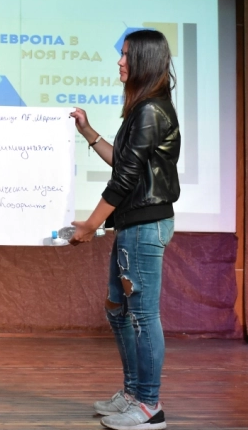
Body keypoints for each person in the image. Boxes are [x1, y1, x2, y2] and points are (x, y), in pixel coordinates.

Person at [69, 29, 180, 430]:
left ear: (144, 62)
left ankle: (149, 406)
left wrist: (91, 224)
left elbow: (124, 179)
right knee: (118, 310)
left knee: (142, 317)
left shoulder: (151, 110)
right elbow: (125, 162)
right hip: (133, 224)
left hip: (145, 226)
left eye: (127, 55)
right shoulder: (143, 108)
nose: (119, 61)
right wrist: (88, 131)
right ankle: (134, 392)